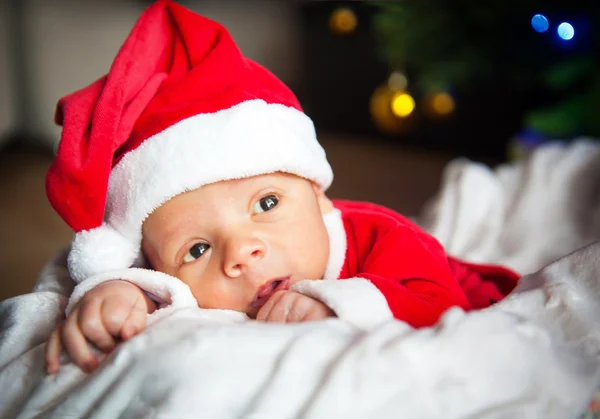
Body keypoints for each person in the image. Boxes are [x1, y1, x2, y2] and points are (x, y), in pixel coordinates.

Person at [43, 0, 520, 374]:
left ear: (317, 194)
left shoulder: (386, 238)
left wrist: (337, 308)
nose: (242, 252)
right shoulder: (162, 270)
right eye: (197, 249)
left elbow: (445, 311)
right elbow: (157, 288)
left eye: (267, 203)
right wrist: (118, 295)